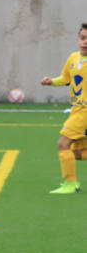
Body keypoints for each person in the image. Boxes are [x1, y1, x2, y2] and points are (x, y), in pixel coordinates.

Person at [40, 22, 87, 195]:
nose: (85, 42)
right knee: (76, 152)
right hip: (76, 109)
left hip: (85, 111)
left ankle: (70, 183)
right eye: (83, 38)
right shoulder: (73, 58)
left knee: (63, 143)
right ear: (78, 39)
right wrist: (51, 81)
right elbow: (65, 78)